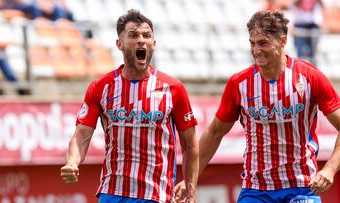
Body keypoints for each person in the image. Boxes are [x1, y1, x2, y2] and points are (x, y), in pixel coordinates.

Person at [173, 10, 340, 203]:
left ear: (283, 41)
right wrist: (189, 179)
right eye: (252, 43)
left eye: (263, 43)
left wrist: (329, 168)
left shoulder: (310, 77)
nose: (256, 50)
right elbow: (215, 132)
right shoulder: (240, 84)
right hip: (256, 190)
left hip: (301, 187)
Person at [60, 9, 199, 203]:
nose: (141, 40)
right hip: (113, 192)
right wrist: (72, 162)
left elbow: (190, 145)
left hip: (156, 195)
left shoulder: (173, 89)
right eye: (133, 35)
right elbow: (82, 134)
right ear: (119, 44)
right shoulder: (101, 87)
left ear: (154, 44)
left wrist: (191, 191)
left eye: (147, 36)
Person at [289, 0, 324, 65]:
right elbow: (293, 19)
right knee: (300, 49)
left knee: (313, 47)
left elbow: (318, 20)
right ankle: (301, 61)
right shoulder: (295, 4)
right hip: (299, 27)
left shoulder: (316, 4)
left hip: (312, 27)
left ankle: (312, 60)